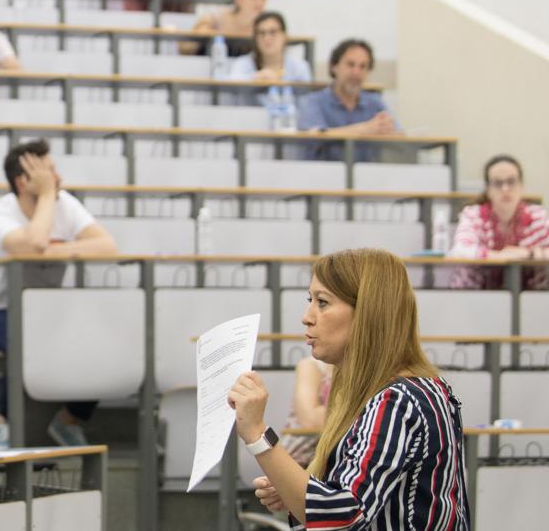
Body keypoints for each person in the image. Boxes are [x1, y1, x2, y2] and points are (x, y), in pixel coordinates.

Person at [228, 248, 470, 529]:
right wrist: (295, 490)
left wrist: (258, 433)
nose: (307, 317)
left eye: (322, 302)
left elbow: (342, 515)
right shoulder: (411, 390)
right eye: (310, 300)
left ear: (368, 313)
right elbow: (355, 496)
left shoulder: (398, 400)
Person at [0, 140, 118, 449]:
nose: (59, 178)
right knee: (27, 340)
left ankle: (69, 420)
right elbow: (34, 244)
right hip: (1, 312)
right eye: (50, 171)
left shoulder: (63, 202)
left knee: (100, 342)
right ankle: (2, 419)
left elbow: (107, 246)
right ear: (23, 181)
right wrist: (48, 198)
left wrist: (59, 245)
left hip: (50, 312)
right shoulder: (1, 215)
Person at [449, 154, 549, 289]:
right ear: (488, 189)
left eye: (511, 181)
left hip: (529, 298)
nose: (505, 189)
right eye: (497, 183)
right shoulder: (474, 215)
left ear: (521, 185)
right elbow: (460, 251)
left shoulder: (537, 216)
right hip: (475, 295)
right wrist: (500, 256)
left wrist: (527, 254)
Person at [297, 39, 402, 161]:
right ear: (334, 66)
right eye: (350, 65)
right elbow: (314, 136)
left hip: (368, 176)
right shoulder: (312, 101)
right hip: (322, 176)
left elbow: (399, 136)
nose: (356, 72)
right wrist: (366, 129)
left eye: (363, 67)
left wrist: (390, 130)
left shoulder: (375, 103)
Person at [221, 11, 312, 106]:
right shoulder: (243, 63)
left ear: (284, 36)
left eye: (273, 32)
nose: (267, 38)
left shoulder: (300, 67)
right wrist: (255, 78)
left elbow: (306, 101)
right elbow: (229, 84)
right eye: (261, 33)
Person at [181, 0, 268, 57]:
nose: (259, 2)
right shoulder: (215, 19)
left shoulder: (266, 26)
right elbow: (185, 49)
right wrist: (204, 32)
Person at [278, 357, 332, 468]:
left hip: (341, 451)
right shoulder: (312, 365)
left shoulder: (365, 367)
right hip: (302, 451)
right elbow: (309, 419)